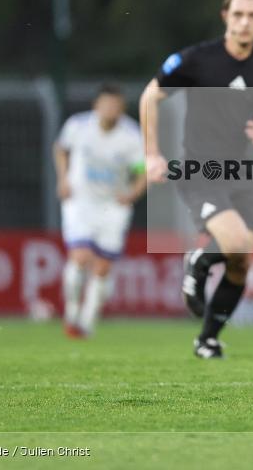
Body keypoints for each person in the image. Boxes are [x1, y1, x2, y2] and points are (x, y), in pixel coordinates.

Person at [139, 0, 253, 359]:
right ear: (225, 16)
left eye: (252, 16)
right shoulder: (197, 59)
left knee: (240, 263)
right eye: (237, 14)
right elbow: (149, 96)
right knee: (235, 244)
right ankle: (198, 262)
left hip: (240, 175)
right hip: (199, 170)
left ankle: (207, 339)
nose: (244, 23)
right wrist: (152, 154)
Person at [54, 84, 146, 338]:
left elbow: (142, 171)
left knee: (103, 267)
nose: (110, 110)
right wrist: (62, 178)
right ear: (96, 106)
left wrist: (132, 194)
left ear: (121, 109)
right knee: (80, 256)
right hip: (80, 201)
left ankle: (87, 321)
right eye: (106, 104)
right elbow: (61, 149)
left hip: (112, 206)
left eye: (115, 106)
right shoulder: (78, 126)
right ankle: (72, 314)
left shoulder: (131, 135)